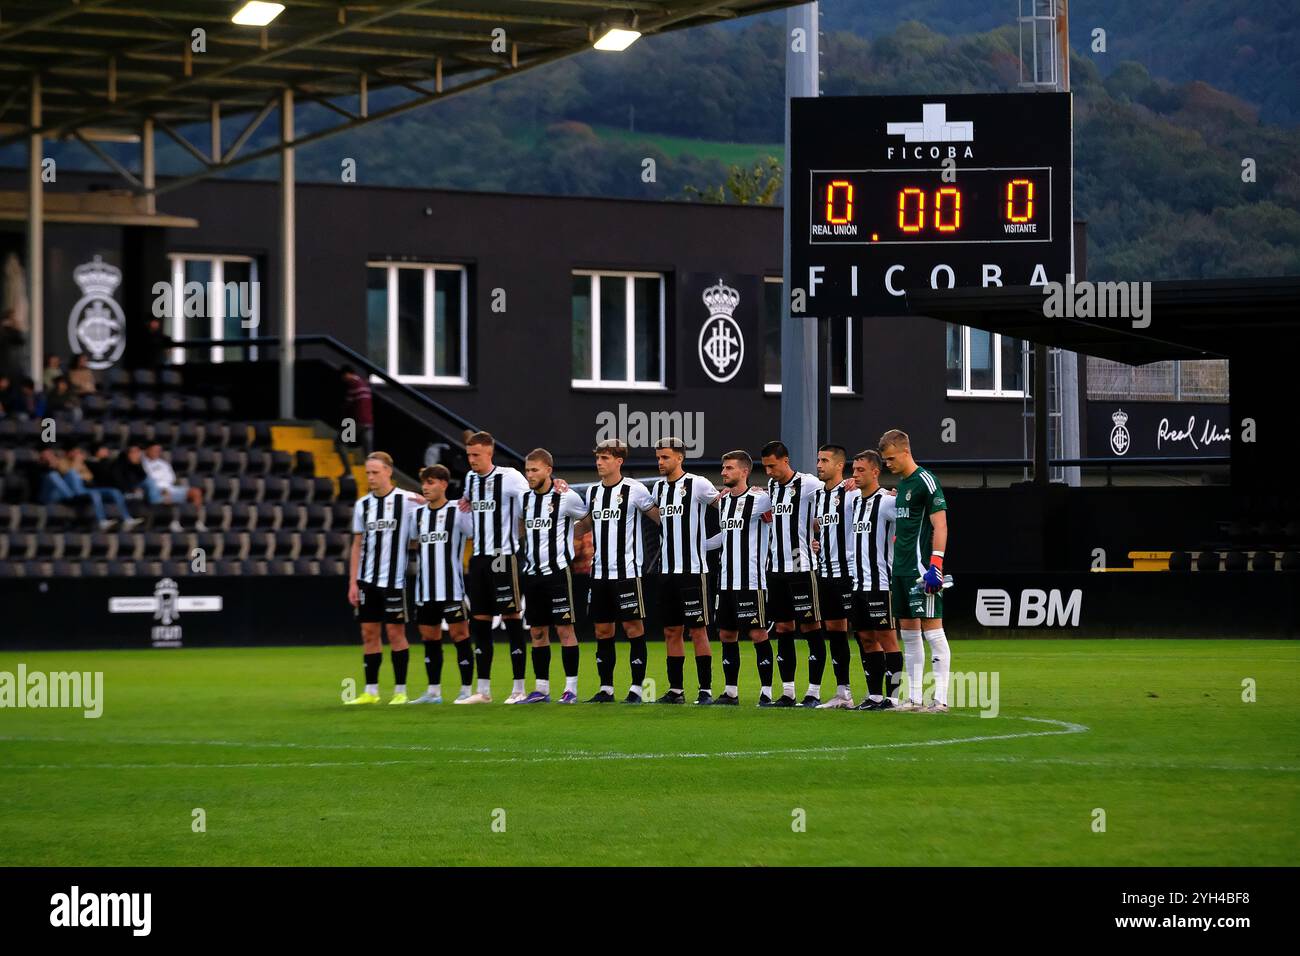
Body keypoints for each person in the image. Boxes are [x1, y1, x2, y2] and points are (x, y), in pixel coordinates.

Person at [555, 439, 660, 703]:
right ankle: (606, 689)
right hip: (599, 574)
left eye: (605, 458)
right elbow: (585, 524)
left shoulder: (635, 490)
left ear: (618, 461)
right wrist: (561, 530)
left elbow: (660, 518)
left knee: (634, 628)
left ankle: (637, 688)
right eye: (598, 458)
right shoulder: (593, 492)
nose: (599, 463)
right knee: (603, 631)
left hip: (627, 573)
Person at [455, 431, 530, 704]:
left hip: (503, 555)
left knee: (511, 620)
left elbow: (531, 503)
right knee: (481, 623)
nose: (472, 460)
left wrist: (557, 486)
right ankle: (483, 692)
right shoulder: (470, 480)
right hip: (478, 558)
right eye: (469, 455)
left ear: (490, 453)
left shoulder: (510, 477)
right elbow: (465, 501)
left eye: (476, 455)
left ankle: (519, 688)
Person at [879, 429, 951, 713]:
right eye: (885, 460)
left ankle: (941, 699)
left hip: (922, 570)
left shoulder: (925, 481)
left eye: (891, 458)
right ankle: (914, 698)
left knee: (933, 631)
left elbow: (941, 524)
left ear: (905, 451)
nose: (888, 464)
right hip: (900, 569)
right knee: (909, 635)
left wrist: (936, 564)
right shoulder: (903, 485)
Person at [344, 451, 422, 706]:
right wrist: (353, 581)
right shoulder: (362, 505)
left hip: (394, 581)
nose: (371, 477)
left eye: (375, 472)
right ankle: (371, 691)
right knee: (368, 633)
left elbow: (429, 516)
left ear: (389, 471)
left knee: (395, 632)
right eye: (368, 472)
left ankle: (400, 690)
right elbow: (357, 545)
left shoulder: (408, 501)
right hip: (367, 580)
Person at [648, 436, 718, 704]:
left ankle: (705, 690)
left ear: (680, 457)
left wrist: (711, 544)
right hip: (666, 573)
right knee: (671, 631)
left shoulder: (698, 484)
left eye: (665, 457)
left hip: (693, 571)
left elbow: (730, 508)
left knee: (698, 630)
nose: (660, 462)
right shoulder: (657, 489)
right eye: (658, 458)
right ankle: (676, 690)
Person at [517, 448, 588, 704]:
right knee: (537, 632)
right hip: (532, 574)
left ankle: (570, 689)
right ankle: (541, 689)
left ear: (548, 470)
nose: (530, 474)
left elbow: (587, 518)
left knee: (565, 629)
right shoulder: (523, 498)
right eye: (527, 470)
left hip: (558, 573)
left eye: (535, 469)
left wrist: (573, 537)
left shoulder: (566, 497)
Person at [706, 450, 775, 706]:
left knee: (757, 634)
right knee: (726, 634)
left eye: (729, 468)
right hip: (726, 582)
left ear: (744, 471)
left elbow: (779, 525)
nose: (724, 472)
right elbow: (724, 537)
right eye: (723, 468)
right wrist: (697, 546)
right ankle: (731, 691)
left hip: (752, 581)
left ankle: (767, 692)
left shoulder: (761, 500)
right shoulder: (724, 502)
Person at [760, 440, 825, 707]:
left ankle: (814, 692)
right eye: (765, 467)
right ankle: (788, 692)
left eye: (772, 466)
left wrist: (849, 484)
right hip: (775, 569)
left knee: (811, 626)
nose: (768, 472)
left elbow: (834, 499)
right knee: (784, 628)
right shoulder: (772, 487)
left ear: (785, 461)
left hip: (801, 566)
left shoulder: (809, 484)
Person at [407, 464, 477, 705]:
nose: (426, 487)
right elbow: (409, 542)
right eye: (424, 483)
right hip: (424, 591)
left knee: (460, 636)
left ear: (444, 484)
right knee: (429, 638)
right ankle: (433, 692)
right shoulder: (416, 515)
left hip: (452, 589)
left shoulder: (458, 511)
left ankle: (466, 690)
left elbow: (475, 534)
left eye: (431, 482)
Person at [846, 449, 903, 711]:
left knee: (887, 638)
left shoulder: (888, 501)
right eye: (854, 470)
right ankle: (874, 696)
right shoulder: (855, 501)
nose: (855, 475)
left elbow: (913, 522)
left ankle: (893, 697)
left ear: (875, 472)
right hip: (857, 584)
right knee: (865, 638)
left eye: (861, 470)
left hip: (880, 583)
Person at [810, 444, 859, 709]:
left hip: (850, 574)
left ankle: (882, 694)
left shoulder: (852, 493)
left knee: (867, 634)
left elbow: (882, 495)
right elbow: (816, 525)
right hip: (825, 573)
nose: (819, 465)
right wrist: (815, 543)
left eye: (825, 460)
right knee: (836, 633)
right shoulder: (818, 495)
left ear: (839, 465)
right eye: (818, 460)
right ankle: (844, 693)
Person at [39, 446, 141, 531]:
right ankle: (76, 500)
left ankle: (126, 519)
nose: (50, 458)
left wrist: (79, 466)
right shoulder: (58, 464)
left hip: (80, 488)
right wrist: (76, 463)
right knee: (68, 474)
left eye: (51, 455)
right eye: (76, 452)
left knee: (114, 491)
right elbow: (68, 474)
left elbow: (89, 477)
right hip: (57, 494)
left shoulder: (81, 464)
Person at [141, 443, 203, 508]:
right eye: (154, 450)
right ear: (147, 450)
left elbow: (171, 478)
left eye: (158, 451)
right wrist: (162, 488)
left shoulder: (163, 463)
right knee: (164, 496)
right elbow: (147, 481)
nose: (157, 452)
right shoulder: (141, 464)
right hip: (154, 491)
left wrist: (166, 488)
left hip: (169, 489)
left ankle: (194, 515)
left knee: (196, 492)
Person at [341, 365, 374, 452]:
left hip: (357, 422)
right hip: (368, 422)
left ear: (347, 374)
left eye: (344, 377)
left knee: (339, 444)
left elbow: (348, 405)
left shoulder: (353, 385)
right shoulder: (364, 384)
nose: (344, 380)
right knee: (367, 451)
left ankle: (347, 466)